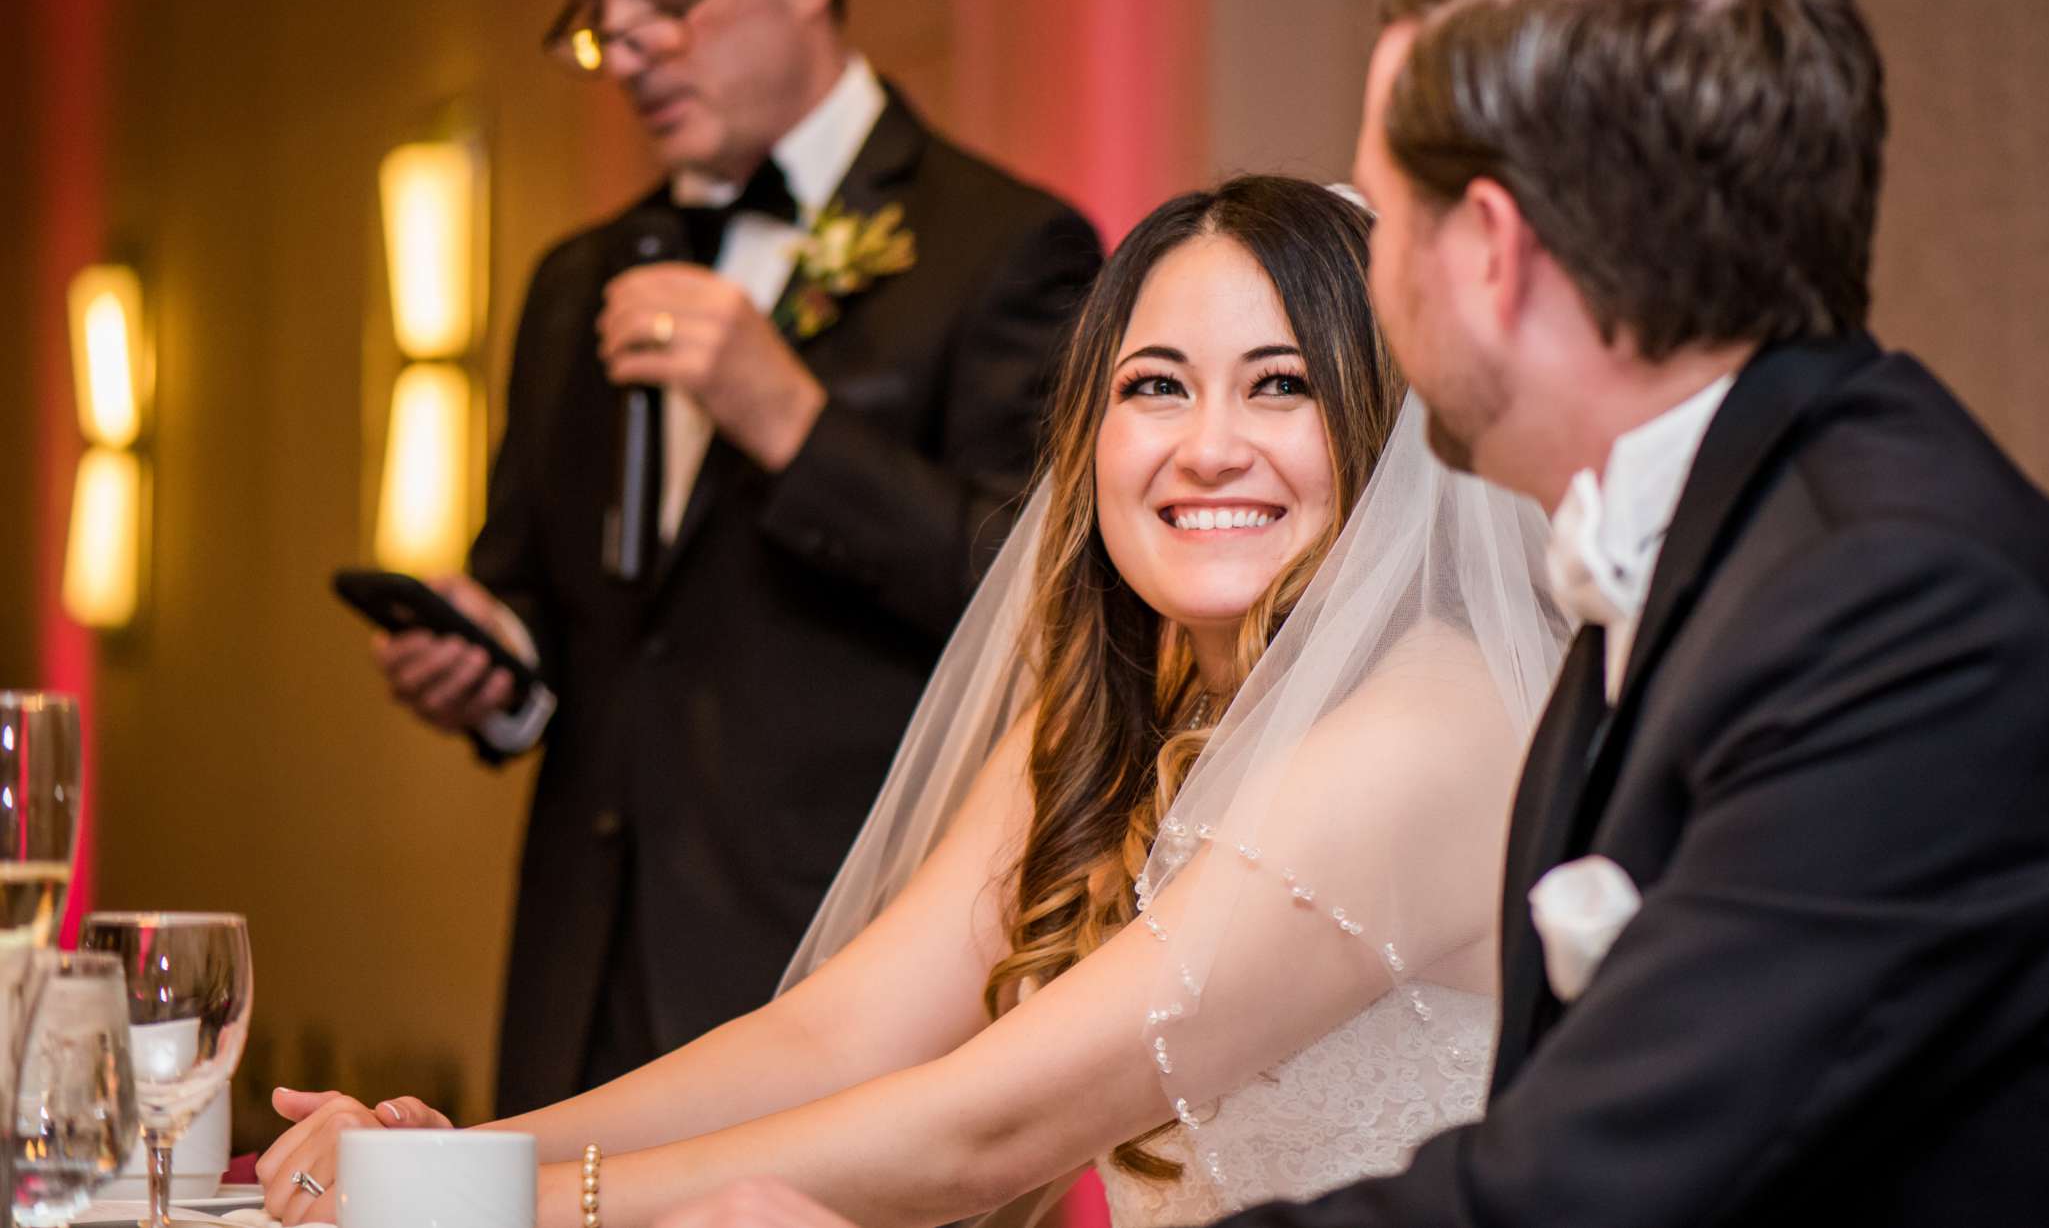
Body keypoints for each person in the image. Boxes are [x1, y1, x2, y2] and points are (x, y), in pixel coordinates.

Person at [669, 0, 2049, 1228]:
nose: (1366, 271)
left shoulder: (1895, 606)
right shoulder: (1726, 551)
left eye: (1378, 209)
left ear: (1490, 251)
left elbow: (1581, 1199)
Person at [266, 175, 1571, 1228]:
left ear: (1386, 431)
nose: (1205, 442)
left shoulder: (1423, 729)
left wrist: (500, 1206)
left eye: (1279, 384)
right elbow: (838, 1035)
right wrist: (454, 1156)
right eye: (1154, 384)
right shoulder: (1128, 703)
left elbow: (981, 1128)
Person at [361, 0, 1102, 1110]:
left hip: (845, 960)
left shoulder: (1006, 248)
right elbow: (546, 586)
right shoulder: (578, 274)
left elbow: (1046, 592)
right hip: (582, 971)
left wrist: (790, 421)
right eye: (594, 12)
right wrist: (495, 668)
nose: (627, 45)